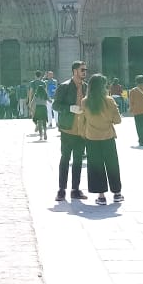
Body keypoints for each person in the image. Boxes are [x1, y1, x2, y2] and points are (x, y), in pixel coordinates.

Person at [81, 72, 122, 204]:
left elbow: (82, 120)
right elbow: (117, 120)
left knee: (96, 166)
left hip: (91, 137)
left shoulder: (85, 101)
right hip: (107, 136)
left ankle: (101, 196)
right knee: (112, 165)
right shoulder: (109, 101)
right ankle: (117, 193)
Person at [53, 61, 88, 201]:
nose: (85, 72)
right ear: (74, 71)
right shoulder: (64, 87)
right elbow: (55, 105)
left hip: (82, 130)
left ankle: (75, 189)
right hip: (67, 128)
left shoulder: (87, 87)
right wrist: (69, 108)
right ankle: (61, 190)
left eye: (85, 69)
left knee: (78, 161)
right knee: (65, 159)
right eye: (82, 70)